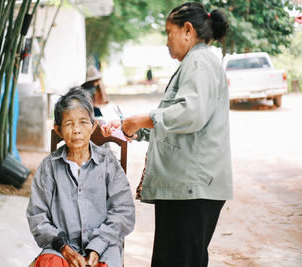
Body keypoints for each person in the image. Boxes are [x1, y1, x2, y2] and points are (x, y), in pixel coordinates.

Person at [102, 2, 233, 267]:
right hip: (189, 188)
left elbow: (190, 114)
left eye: (168, 32)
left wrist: (142, 119)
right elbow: (176, 124)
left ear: (187, 30)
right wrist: (134, 128)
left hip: (192, 189)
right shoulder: (196, 62)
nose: (166, 41)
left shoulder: (199, 62)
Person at [27, 87, 135, 267]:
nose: (76, 130)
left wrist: (97, 247)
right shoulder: (49, 166)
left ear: (93, 126)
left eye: (83, 122)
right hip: (60, 248)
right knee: (48, 263)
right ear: (59, 130)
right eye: (69, 124)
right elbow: (37, 215)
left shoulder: (108, 163)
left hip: (104, 248)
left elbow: (124, 211)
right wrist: (64, 248)